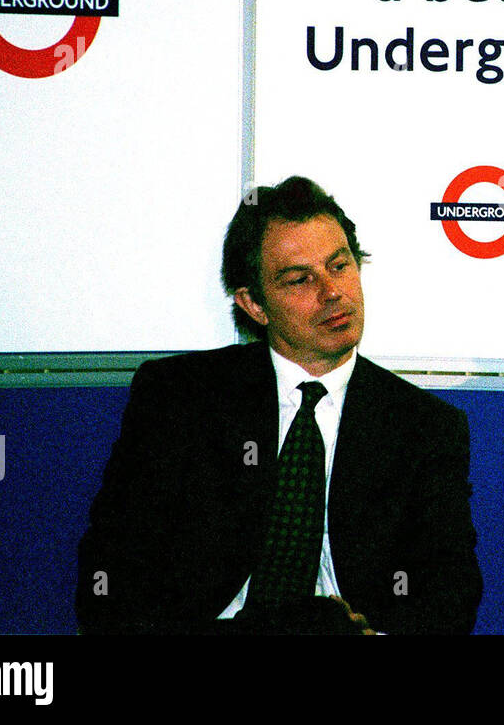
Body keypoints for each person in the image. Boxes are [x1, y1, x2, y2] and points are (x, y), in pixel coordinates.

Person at [77, 176, 482, 634]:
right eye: (300, 279)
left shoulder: (424, 427)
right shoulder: (181, 399)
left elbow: (450, 594)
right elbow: (113, 569)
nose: (332, 291)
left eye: (339, 266)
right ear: (254, 304)